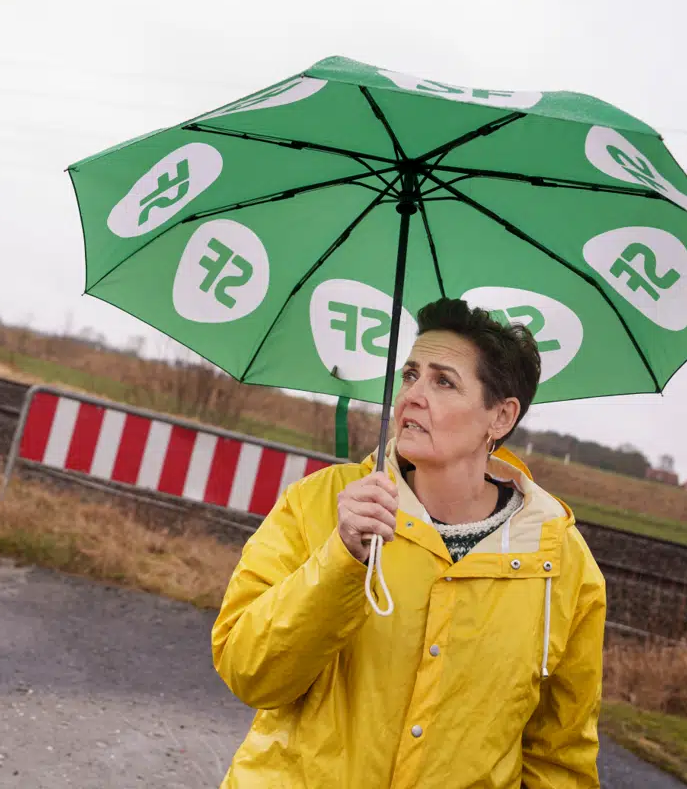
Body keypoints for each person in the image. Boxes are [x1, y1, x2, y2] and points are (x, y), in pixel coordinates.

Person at [211, 298, 606, 788]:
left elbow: (560, 759)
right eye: (411, 375)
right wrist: (341, 558)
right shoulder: (320, 503)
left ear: (501, 417)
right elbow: (248, 672)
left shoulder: (559, 561)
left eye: (443, 382)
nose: (413, 396)